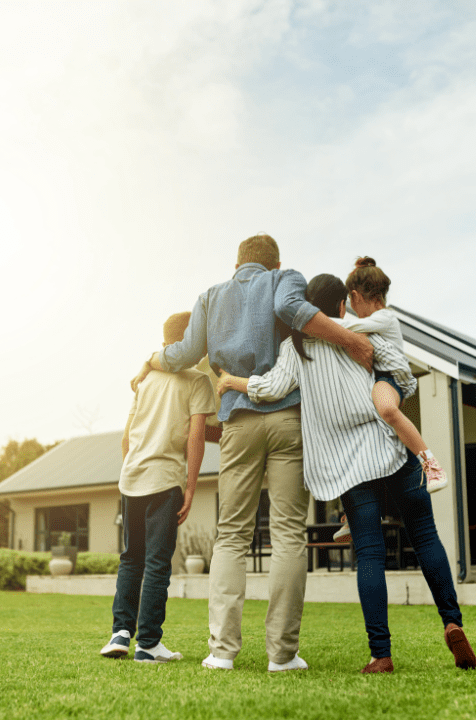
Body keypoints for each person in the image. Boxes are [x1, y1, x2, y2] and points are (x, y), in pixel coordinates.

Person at [131, 234, 373, 673]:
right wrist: (351, 341)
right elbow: (291, 311)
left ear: (237, 263)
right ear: (275, 262)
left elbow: (186, 353)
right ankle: (282, 655)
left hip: (237, 423)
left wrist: (153, 358)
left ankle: (222, 652)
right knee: (286, 535)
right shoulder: (285, 278)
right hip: (287, 421)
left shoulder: (210, 296)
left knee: (232, 536)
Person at [217, 272, 476, 675]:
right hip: (388, 447)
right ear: (342, 305)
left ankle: (381, 654)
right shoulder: (357, 332)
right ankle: (452, 621)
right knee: (425, 535)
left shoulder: (294, 347)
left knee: (370, 553)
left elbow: (270, 388)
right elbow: (400, 374)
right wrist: (388, 388)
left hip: (347, 467)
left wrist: (231, 381)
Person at [100, 311, 218, 663]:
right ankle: (148, 643)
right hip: (164, 480)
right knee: (156, 563)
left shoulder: (145, 380)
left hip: (131, 479)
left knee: (130, 558)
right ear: (189, 342)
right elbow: (196, 437)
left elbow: (125, 438)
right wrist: (191, 487)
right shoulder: (197, 381)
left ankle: (120, 633)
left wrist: (131, 471)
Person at [331, 257, 448, 544]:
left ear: (356, 296)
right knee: (366, 446)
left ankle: (430, 463)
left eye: (351, 300)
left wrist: (316, 321)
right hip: (374, 382)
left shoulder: (385, 317)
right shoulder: (371, 318)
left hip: (389, 380)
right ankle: (349, 513)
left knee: (385, 409)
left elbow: (348, 330)